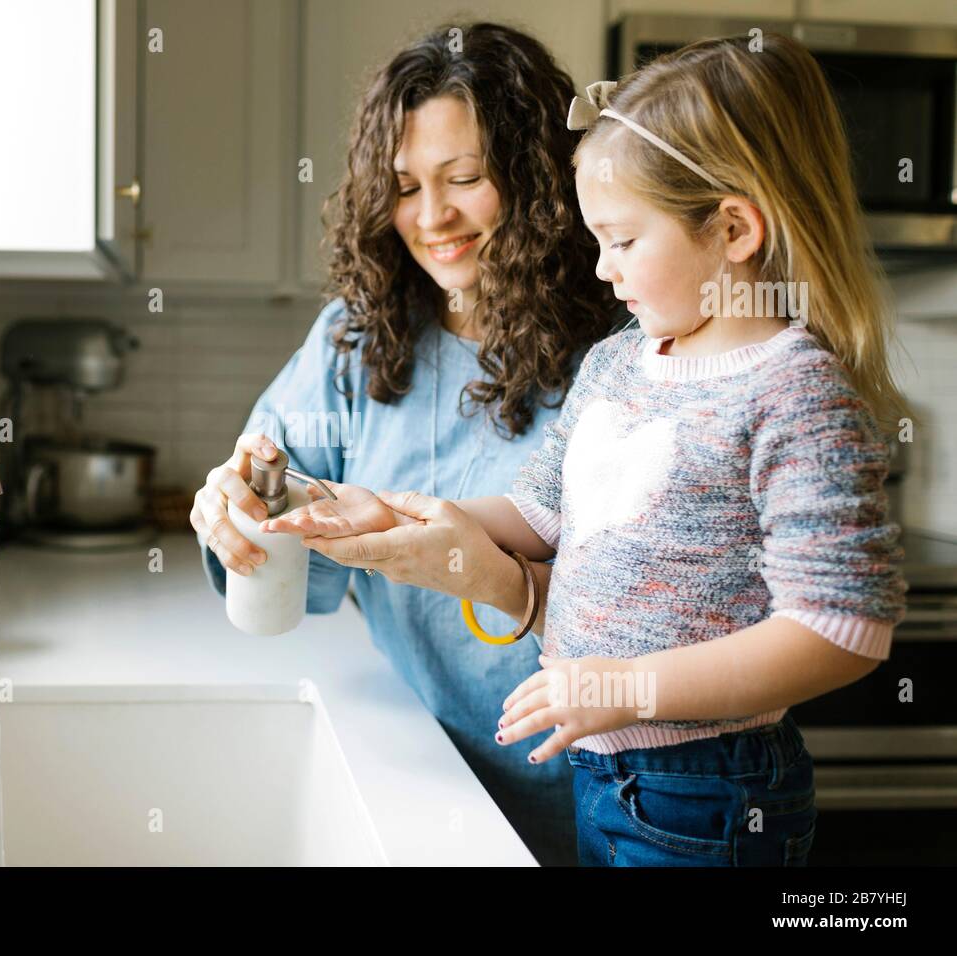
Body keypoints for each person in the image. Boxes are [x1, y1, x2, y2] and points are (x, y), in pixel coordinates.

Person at [270, 33, 910, 866]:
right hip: (604, 774)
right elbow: (537, 516)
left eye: (623, 240)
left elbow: (841, 626)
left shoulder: (792, 393)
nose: (602, 270)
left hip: (710, 789)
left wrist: (624, 687)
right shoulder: (620, 363)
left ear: (733, 230)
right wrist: (391, 510)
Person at [190, 22, 617, 865]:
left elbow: (670, 610)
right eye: (405, 186)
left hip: (600, 802)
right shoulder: (357, 341)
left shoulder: (621, 348)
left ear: (538, 179)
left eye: (464, 178)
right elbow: (295, 569)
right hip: (419, 779)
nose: (433, 218)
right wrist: (243, 513)